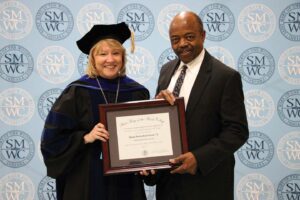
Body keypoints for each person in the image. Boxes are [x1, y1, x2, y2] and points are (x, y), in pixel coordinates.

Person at [144, 11, 249, 200]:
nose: (182, 44)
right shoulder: (166, 71)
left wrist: (198, 158)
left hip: (206, 185)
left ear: (203, 35)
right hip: (169, 185)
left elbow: (237, 131)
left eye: (189, 36)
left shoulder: (225, 77)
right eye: (175, 39)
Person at [41, 22, 149, 200]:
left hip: (126, 181)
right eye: (103, 54)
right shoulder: (77, 91)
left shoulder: (136, 92)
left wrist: (149, 162)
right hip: (86, 180)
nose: (110, 59)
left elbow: (146, 138)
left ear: (122, 58)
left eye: (116, 53)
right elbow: (52, 142)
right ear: (93, 59)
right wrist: (85, 137)